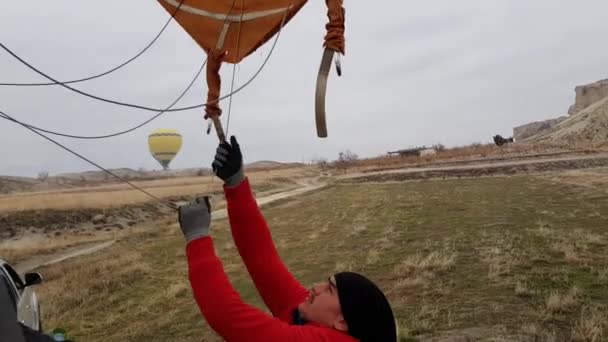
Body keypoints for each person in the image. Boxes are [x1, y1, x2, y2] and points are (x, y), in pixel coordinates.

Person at [177, 136, 397, 342]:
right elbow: (263, 263)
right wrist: (236, 183)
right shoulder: (312, 315)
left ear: (342, 322)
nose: (316, 287)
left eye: (329, 289)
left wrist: (197, 238)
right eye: (326, 282)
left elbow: (227, 317)